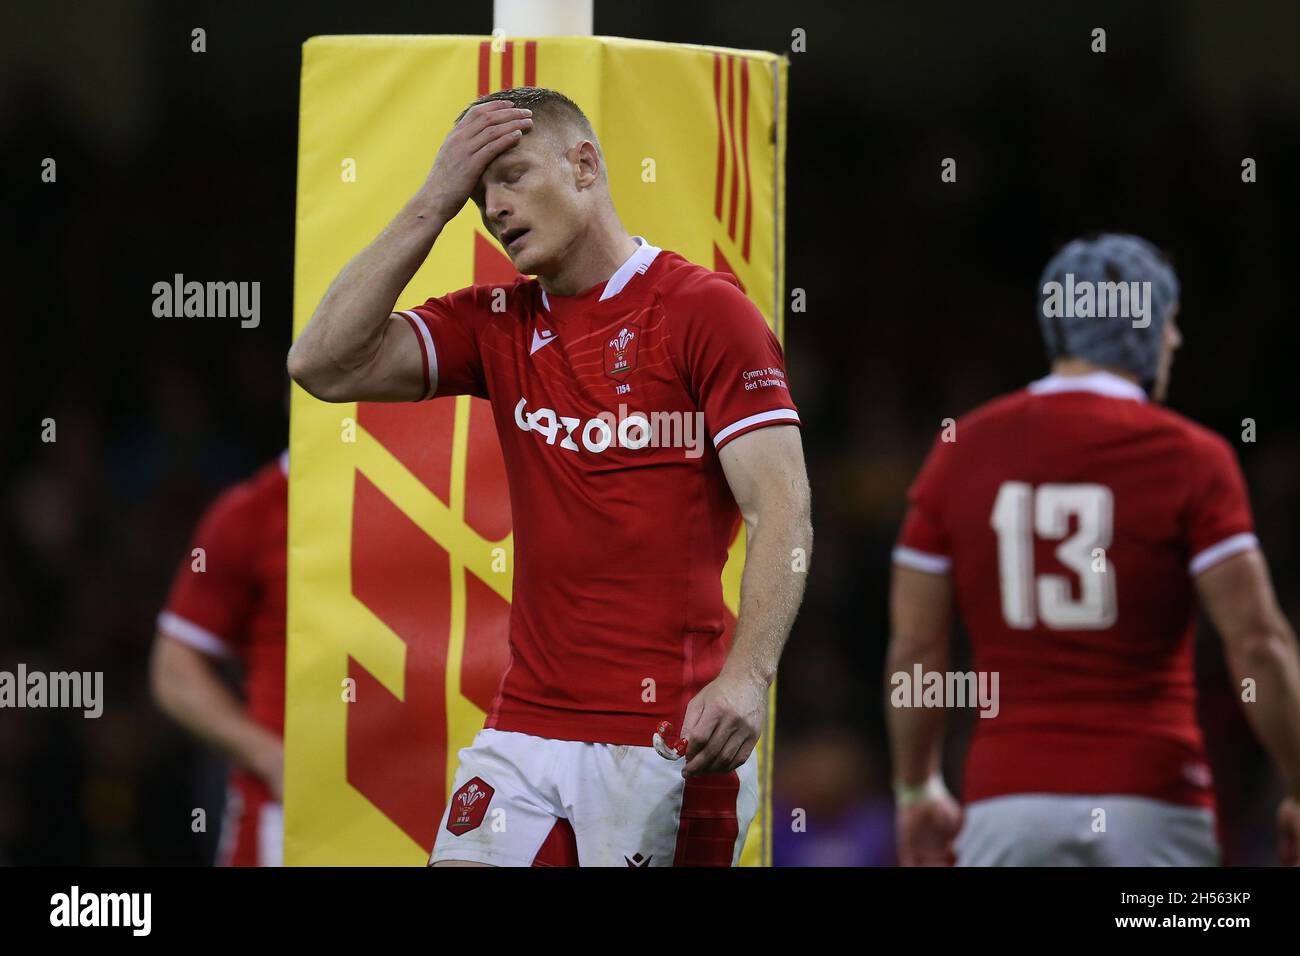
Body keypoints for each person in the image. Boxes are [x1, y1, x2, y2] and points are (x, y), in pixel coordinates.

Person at [287, 87, 812, 866]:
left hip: (666, 738)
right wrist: (433, 200)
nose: (493, 208)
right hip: (522, 733)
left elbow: (783, 510)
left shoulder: (704, 312)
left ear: (585, 164)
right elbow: (320, 363)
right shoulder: (497, 321)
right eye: (477, 192)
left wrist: (748, 680)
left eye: (510, 175)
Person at [887, 234, 1300, 866]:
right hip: (1153, 801)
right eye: (1171, 323)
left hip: (1008, 804)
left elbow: (917, 648)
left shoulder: (962, 451)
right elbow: (1260, 643)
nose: (1176, 341)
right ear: (1145, 326)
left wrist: (916, 787)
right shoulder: (1191, 457)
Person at [150, 450, 288, 866]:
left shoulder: (431, 501)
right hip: (282, 819)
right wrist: (270, 756)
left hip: (415, 796)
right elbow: (174, 669)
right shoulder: (255, 510)